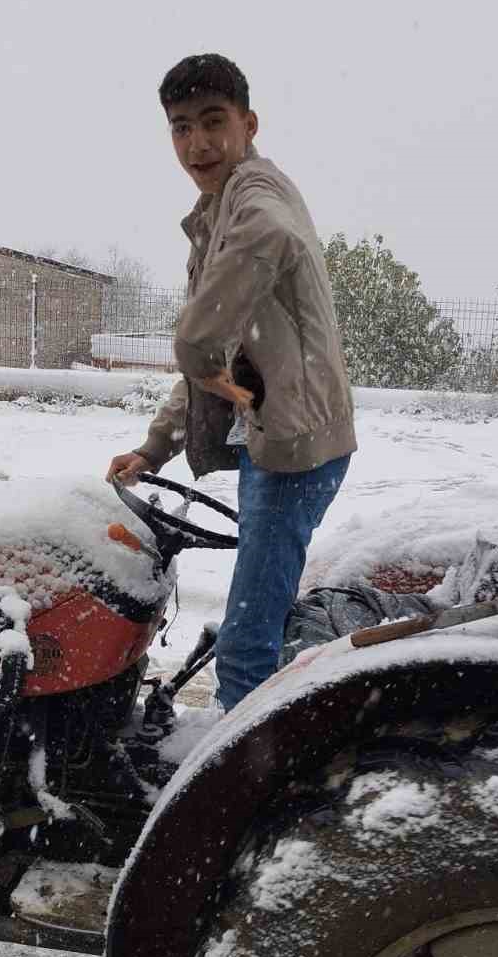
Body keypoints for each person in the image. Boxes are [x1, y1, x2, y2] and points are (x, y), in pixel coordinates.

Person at [107, 54, 356, 712]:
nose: (198, 143)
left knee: (248, 639)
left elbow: (202, 343)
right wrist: (154, 448)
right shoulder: (217, 211)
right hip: (268, 443)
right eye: (182, 128)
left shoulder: (255, 195)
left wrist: (195, 339)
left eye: (214, 122)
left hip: (296, 452)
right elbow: (208, 372)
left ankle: (239, 777)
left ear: (248, 124)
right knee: (257, 614)